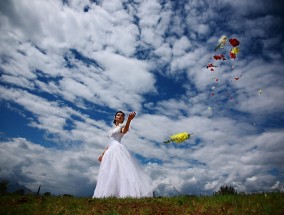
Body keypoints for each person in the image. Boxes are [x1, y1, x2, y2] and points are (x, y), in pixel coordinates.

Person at [93, 111, 154, 198]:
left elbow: (124, 131)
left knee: (119, 171)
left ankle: (124, 193)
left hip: (117, 149)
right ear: (115, 118)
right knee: (109, 172)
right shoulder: (111, 130)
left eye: (122, 116)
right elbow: (110, 143)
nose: (120, 116)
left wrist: (129, 120)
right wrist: (103, 154)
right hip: (109, 151)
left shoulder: (122, 126)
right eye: (118, 115)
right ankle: (110, 194)